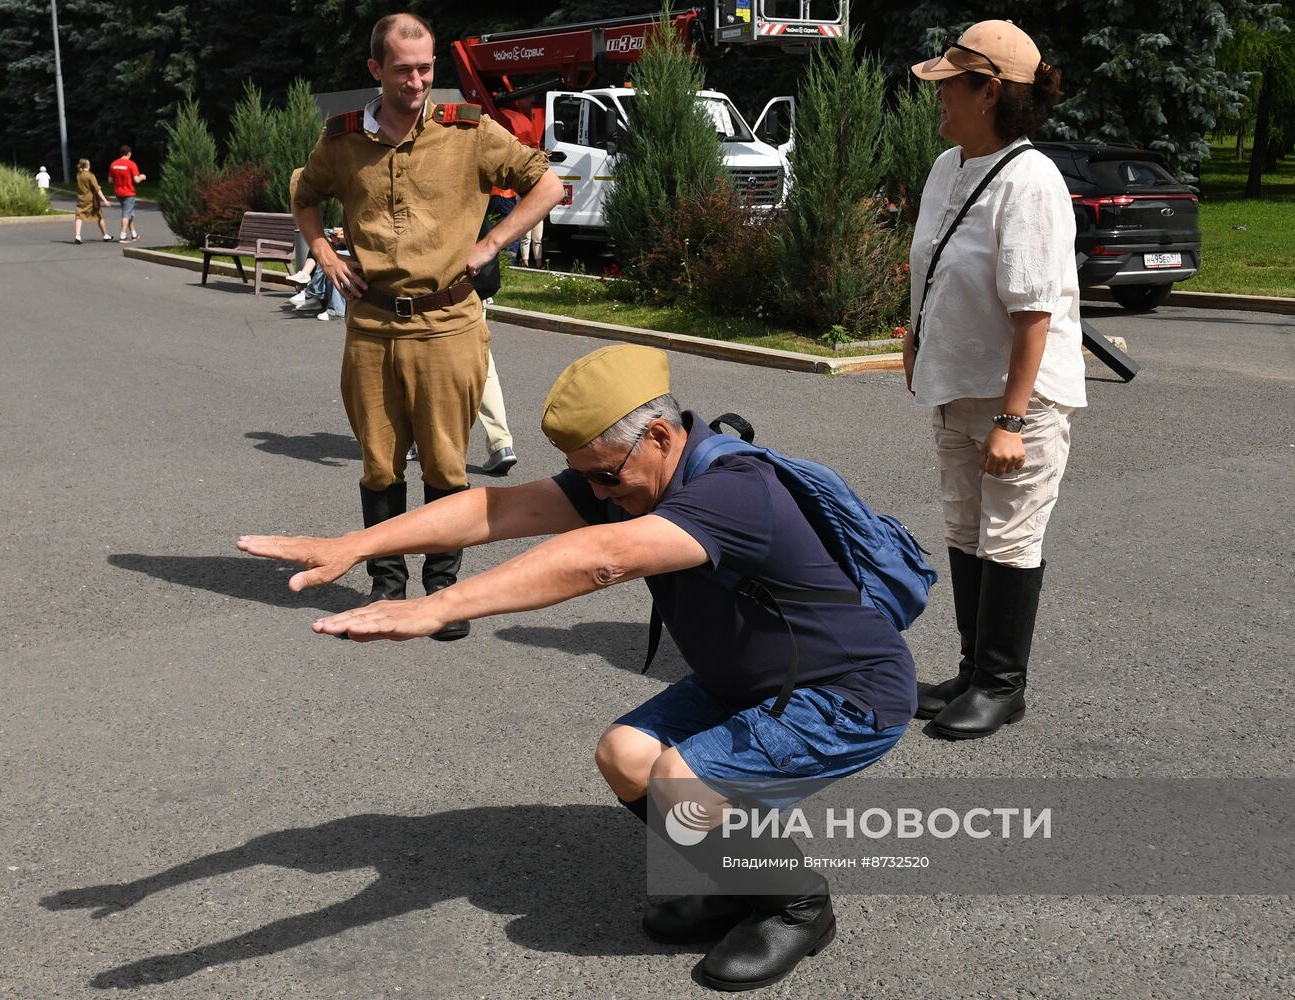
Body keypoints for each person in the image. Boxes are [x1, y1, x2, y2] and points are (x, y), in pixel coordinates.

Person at [237, 343, 915, 992]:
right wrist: (356, 543)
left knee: (683, 778)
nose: (596, 491)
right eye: (586, 476)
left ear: (658, 434)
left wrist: (434, 607)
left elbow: (603, 559)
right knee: (624, 755)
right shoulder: (631, 470)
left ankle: (796, 906)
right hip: (750, 683)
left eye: (604, 476)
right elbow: (496, 507)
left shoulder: (735, 491)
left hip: (844, 694)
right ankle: (744, 880)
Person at [290, 11, 562, 639]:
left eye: (426, 68)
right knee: (379, 464)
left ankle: (444, 591)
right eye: (404, 69)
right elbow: (304, 194)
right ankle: (387, 584)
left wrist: (492, 242)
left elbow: (545, 184)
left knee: (445, 464)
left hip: (448, 324)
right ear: (376, 70)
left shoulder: (469, 131)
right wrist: (325, 255)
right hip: (373, 327)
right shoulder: (341, 140)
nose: (417, 81)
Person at [903, 21, 1087, 740]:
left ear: (987, 92)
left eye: (949, 84)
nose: (938, 96)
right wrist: (917, 337)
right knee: (964, 530)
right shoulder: (948, 166)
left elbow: (1035, 308)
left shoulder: (1030, 178)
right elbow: (930, 262)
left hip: (1020, 400)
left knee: (1009, 536)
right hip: (955, 388)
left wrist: (1012, 421)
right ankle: (973, 668)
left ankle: (1002, 687)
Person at [108, 145, 146, 243]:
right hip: (128, 192)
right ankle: (123, 236)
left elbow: (110, 180)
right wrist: (142, 177)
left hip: (118, 192)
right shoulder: (131, 164)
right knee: (126, 214)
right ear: (129, 153)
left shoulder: (113, 164)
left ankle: (134, 234)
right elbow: (136, 180)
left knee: (130, 213)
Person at [72, 159, 113, 244]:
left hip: (81, 198)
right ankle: (105, 235)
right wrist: (105, 200)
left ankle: (77, 236)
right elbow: (97, 189)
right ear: (87, 165)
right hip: (91, 199)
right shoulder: (90, 175)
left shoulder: (79, 175)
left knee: (79, 216)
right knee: (99, 215)